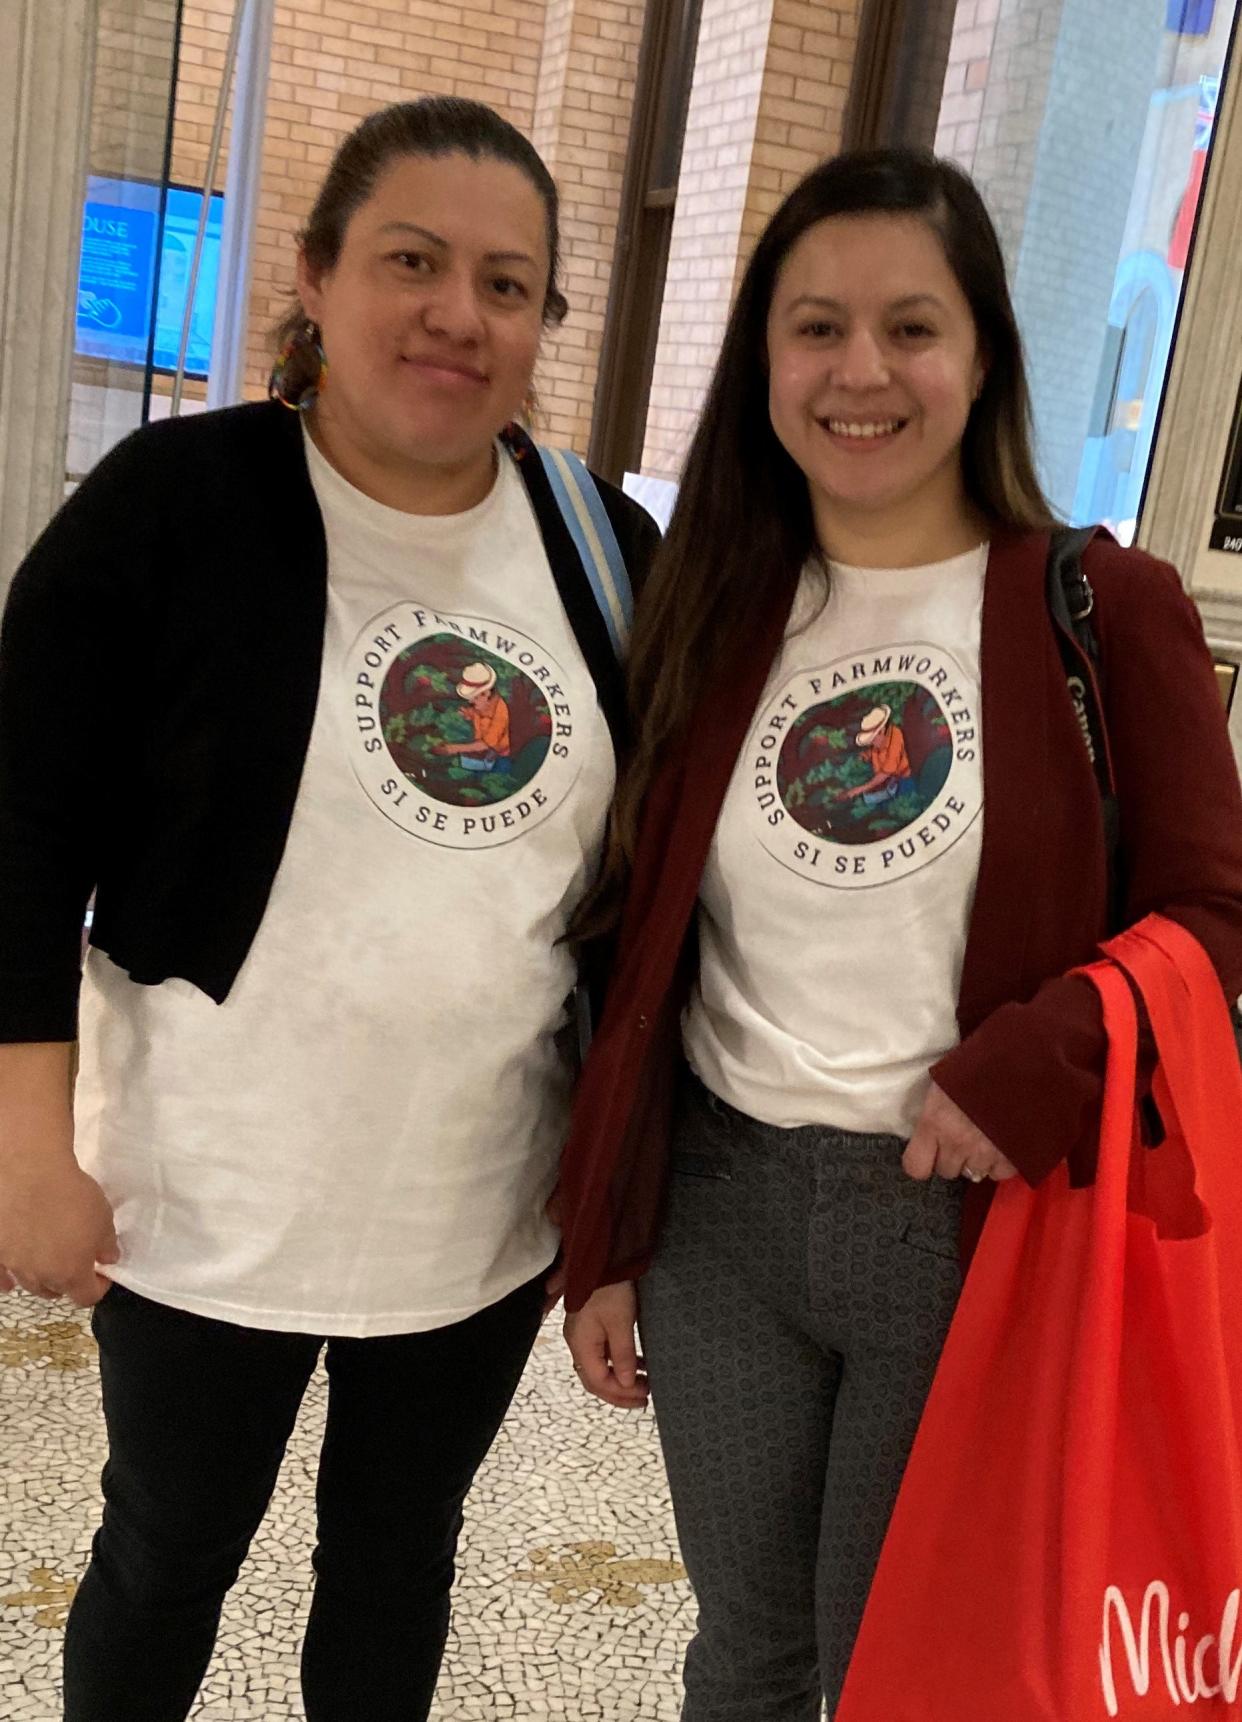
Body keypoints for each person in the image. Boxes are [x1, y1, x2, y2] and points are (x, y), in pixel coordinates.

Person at [555, 147, 1242, 1720]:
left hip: (967, 1234)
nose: (860, 370)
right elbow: (637, 944)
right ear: (762, 363)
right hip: (722, 1218)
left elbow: (1216, 906)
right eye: (814, 327)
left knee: (905, 1666)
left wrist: (1036, 1058)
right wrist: (606, 1230)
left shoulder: (1097, 605)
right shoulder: (712, 604)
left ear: (982, 354)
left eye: (909, 326)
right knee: (746, 1654)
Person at [0, 97, 656, 1722]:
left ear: (544, 323)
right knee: (165, 1552)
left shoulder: (601, 546)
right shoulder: (172, 505)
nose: (457, 313)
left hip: (480, 1205)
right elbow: (19, 829)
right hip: (212, 1199)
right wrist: (24, 1140)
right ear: (317, 274)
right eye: (412, 262)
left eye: (508, 284)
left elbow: (656, 877)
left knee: (399, 1555)